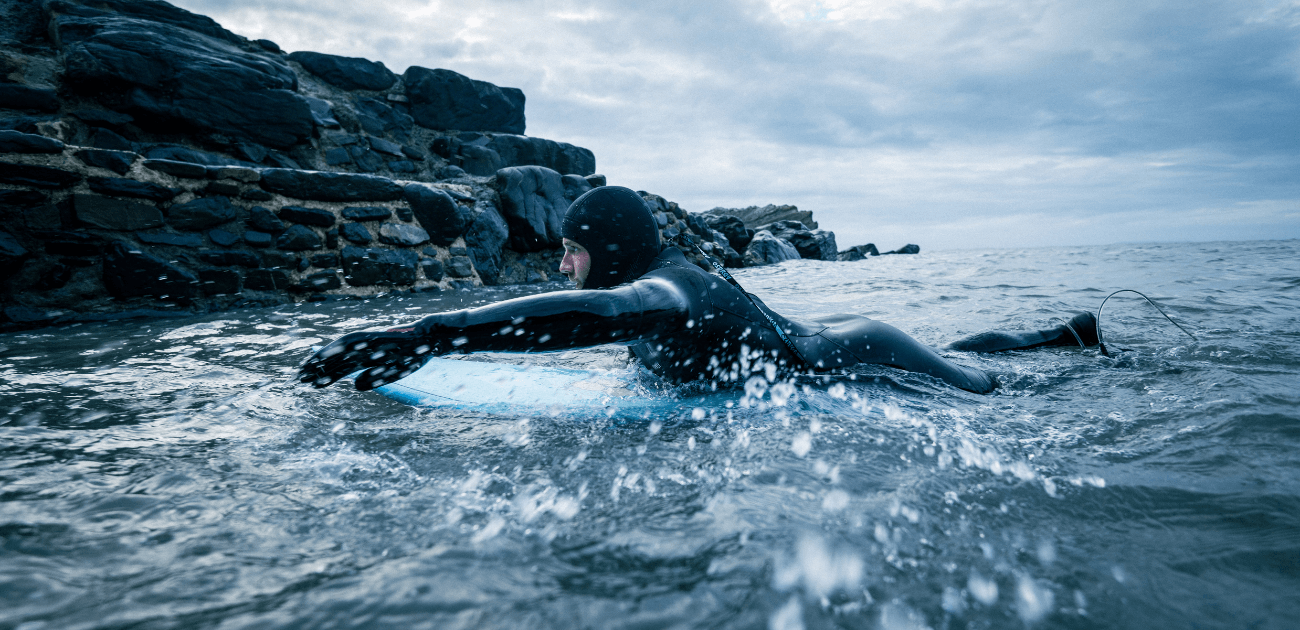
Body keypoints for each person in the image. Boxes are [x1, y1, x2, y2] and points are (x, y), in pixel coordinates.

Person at [298, 186, 1098, 394]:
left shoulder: (660, 291)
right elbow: (580, 314)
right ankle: (1059, 337)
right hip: (838, 333)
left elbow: (596, 313)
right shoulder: (662, 279)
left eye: (570, 252)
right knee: (978, 363)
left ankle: (1070, 344)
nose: (560, 268)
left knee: (1000, 396)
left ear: (606, 254)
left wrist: (429, 334)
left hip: (861, 358)